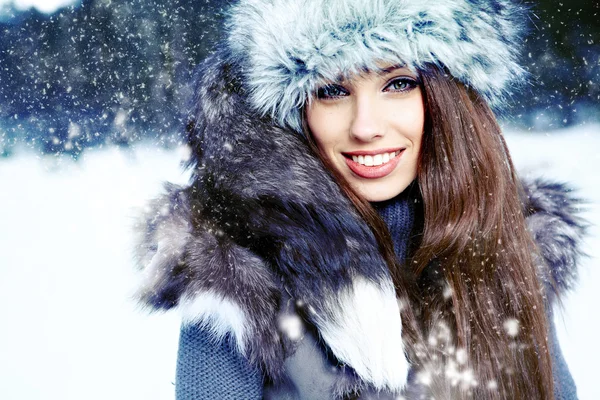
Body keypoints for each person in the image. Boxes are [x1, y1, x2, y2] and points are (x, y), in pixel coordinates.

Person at [134, 0, 586, 398]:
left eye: (398, 83)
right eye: (332, 91)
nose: (365, 126)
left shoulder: (511, 243)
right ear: (293, 113)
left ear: (450, 100)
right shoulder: (235, 270)